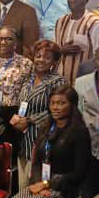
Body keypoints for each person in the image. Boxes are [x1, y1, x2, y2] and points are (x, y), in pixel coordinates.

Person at [10, 40, 67, 189]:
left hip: (44, 138)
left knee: (38, 188)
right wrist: (17, 118)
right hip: (24, 140)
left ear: (54, 61)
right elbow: (22, 104)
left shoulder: (58, 82)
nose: (41, 60)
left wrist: (29, 120)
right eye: (38, 56)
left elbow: (59, 111)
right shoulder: (27, 79)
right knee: (22, 187)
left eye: (47, 57)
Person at [0, 27, 33, 160]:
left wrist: (21, 116)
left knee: (11, 155)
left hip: (14, 115)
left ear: (15, 43)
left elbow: (28, 92)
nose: (3, 42)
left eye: (8, 39)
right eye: (0, 39)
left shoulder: (26, 64)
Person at [54, 0, 99, 83]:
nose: (73, 0)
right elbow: (55, 47)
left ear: (86, 0)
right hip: (61, 79)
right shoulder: (61, 21)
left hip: (84, 79)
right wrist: (61, 50)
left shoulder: (94, 22)